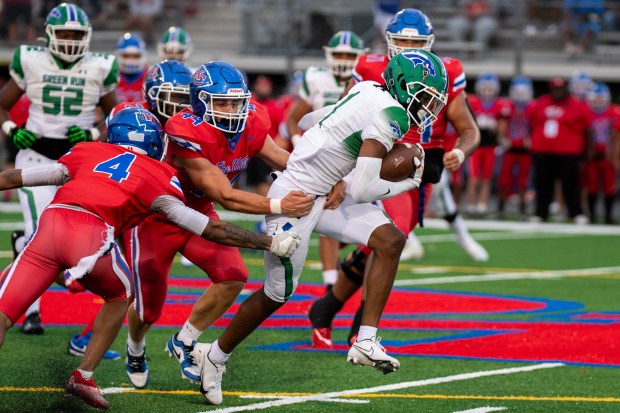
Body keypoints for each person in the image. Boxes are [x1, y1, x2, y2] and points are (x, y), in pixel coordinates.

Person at [0, 106, 301, 410]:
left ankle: (64, 289)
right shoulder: (159, 175)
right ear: (155, 144)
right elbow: (210, 228)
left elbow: (17, 177)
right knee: (121, 293)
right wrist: (268, 242)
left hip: (49, 225)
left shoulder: (85, 152)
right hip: (92, 234)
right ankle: (84, 374)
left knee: (3, 312)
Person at [198, 50, 449, 406]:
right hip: (296, 197)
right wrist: (410, 182)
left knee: (391, 240)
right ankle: (215, 356)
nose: (429, 107)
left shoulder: (367, 90)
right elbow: (364, 188)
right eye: (425, 97)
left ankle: (365, 339)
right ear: (405, 87)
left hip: (328, 191)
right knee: (278, 292)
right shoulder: (390, 112)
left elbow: (310, 122)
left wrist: (330, 164)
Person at [121, 61, 317, 389]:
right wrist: (281, 205)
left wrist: (324, 176)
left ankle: (184, 340)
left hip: (199, 207)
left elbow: (281, 156)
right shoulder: (185, 130)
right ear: (199, 103)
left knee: (233, 276)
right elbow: (226, 196)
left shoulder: (252, 119)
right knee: (149, 307)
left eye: (237, 101)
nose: (231, 109)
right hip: (160, 214)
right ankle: (135, 347)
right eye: (221, 102)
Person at [307, 8, 482, 349]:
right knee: (390, 238)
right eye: (401, 40)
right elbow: (343, 119)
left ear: (429, 44)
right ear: (388, 41)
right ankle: (361, 327)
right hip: (376, 156)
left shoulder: (446, 71)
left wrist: (459, 152)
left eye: (415, 42)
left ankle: (326, 308)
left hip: (420, 163)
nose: (406, 48)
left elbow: (468, 128)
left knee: (378, 241)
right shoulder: (369, 68)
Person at [0, 3, 118, 336]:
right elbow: (2, 103)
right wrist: (11, 129)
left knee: (71, 228)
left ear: (87, 37)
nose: (69, 40)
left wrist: (95, 133)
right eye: (64, 33)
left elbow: (116, 115)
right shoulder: (31, 59)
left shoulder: (101, 66)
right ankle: (31, 311)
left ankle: (57, 268)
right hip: (36, 154)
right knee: (40, 232)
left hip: (80, 160)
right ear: (49, 35)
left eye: (76, 35)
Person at [285, 30, 367, 290]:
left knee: (359, 215)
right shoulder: (315, 77)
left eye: (349, 55)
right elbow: (292, 118)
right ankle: (330, 281)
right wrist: (299, 144)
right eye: (339, 54)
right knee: (330, 208)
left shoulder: (366, 77)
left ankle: (333, 255)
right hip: (322, 155)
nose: (343, 59)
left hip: (357, 156)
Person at [526, 77, 592, 224]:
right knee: (543, 183)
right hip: (543, 151)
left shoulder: (577, 106)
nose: (558, 91)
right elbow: (531, 122)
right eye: (555, 88)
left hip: (568, 152)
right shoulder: (541, 103)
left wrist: (587, 150)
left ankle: (576, 213)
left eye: (561, 88)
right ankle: (540, 213)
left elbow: (588, 129)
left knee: (571, 184)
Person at [466, 72, 505, 217]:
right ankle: (470, 204)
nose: (487, 91)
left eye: (490, 88)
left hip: (490, 146)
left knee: (487, 177)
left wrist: (494, 126)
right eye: (485, 88)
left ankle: (482, 204)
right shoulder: (473, 102)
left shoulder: (499, 105)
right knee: (474, 176)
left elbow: (502, 126)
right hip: (476, 145)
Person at [496, 75, 533, 219]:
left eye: (524, 91)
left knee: (523, 181)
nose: (520, 94)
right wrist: (503, 139)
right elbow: (502, 125)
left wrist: (531, 139)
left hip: (525, 149)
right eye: (518, 91)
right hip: (510, 148)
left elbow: (535, 126)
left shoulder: (532, 108)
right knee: (504, 179)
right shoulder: (507, 107)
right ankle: (500, 209)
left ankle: (522, 211)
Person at [584, 82, 617, 223]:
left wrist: (614, 152)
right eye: (595, 98)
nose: (598, 101)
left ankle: (608, 216)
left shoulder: (613, 112)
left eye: (601, 98)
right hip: (592, 156)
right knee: (591, 186)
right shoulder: (585, 112)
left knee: (609, 186)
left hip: (607, 155)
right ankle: (592, 215)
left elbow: (616, 134)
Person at [115, 32, 149, 103]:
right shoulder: (111, 75)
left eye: (135, 56)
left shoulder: (149, 76)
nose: (131, 60)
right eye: (126, 56)